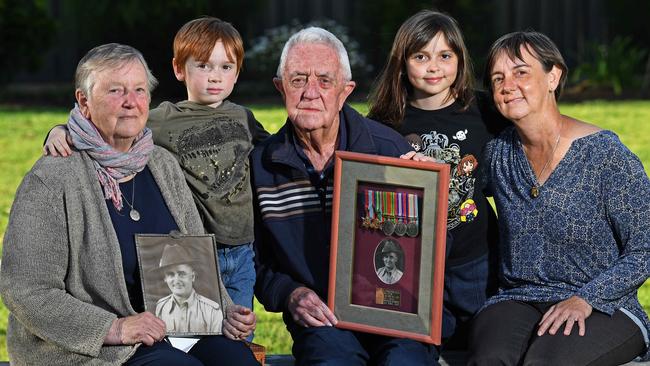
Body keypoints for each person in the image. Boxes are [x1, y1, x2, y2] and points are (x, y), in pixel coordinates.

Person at [0, 43, 259, 366]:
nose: (130, 102)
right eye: (115, 91)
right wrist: (116, 327)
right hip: (92, 347)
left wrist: (223, 309)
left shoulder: (161, 164)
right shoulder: (53, 178)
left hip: (172, 331)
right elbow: (26, 290)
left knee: (239, 362)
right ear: (84, 101)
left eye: (139, 90)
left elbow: (194, 258)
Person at [42, 17, 267, 338]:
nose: (215, 76)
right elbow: (110, 127)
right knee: (190, 336)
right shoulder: (162, 119)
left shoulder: (243, 117)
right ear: (179, 69)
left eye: (226, 67)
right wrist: (61, 129)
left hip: (242, 252)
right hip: (193, 250)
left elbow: (276, 151)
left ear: (237, 72)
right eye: (203, 66)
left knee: (238, 334)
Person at [251, 26, 437, 366]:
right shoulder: (263, 165)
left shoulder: (387, 152)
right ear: (280, 88)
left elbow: (431, 252)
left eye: (324, 80)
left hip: (394, 312)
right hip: (322, 317)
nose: (310, 92)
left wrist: (429, 200)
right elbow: (256, 260)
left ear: (345, 91)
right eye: (297, 80)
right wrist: (291, 294)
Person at [467, 31, 649, 365]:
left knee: (547, 362)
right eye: (497, 78)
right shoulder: (499, 155)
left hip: (605, 305)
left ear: (554, 76)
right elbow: (457, 194)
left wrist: (586, 298)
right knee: (489, 358)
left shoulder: (605, 155)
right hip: (518, 298)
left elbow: (644, 248)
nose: (508, 85)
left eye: (521, 72)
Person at [367, 9, 508, 349]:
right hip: (414, 263)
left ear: (460, 59)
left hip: (475, 258)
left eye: (445, 56)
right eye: (421, 56)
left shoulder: (485, 112)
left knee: (480, 345)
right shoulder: (384, 123)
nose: (433, 67)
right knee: (419, 347)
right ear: (402, 63)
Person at [155, 244, 224, 333]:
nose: (176, 280)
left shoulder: (212, 311)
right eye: (170, 274)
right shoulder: (161, 307)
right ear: (165, 279)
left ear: (193, 277)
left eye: (182, 274)